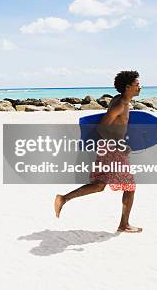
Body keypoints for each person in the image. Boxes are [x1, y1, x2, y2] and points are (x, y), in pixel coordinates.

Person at [54, 70, 143, 233]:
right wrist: (120, 146)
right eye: (137, 84)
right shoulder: (120, 104)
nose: (140, 87)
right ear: (128, 86)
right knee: (129, 187)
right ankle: (124, 225)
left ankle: (63, 198)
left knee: (99, 185)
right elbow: (102, 127)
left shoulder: (122, 101)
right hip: (112, 149)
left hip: (108, 147)